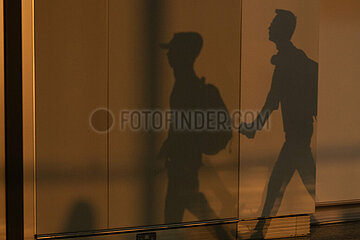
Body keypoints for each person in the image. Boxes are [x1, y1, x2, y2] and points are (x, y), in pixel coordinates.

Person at [239, 9, 318, 238]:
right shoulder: (293, 58)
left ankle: (259, 232)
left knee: (285, 184)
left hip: (297, 135)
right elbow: (273, 100)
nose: (268, 27)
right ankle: (259, 231)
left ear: (282, 31)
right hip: (297, 134)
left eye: (273, 24)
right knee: (280, 185)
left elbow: (272, 100)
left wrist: (253, 127)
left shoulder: (288, 61)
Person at [159, 32, 232, 240]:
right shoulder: (184, 83)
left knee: (175, 218)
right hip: (183, 163)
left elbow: (183, 129)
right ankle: (224, 234)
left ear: (182, 55)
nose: (168, 55)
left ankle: (225, 235)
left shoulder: (186, 85)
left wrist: (170, 151)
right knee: (180, 215)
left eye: (172, 51)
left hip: (184, 164)